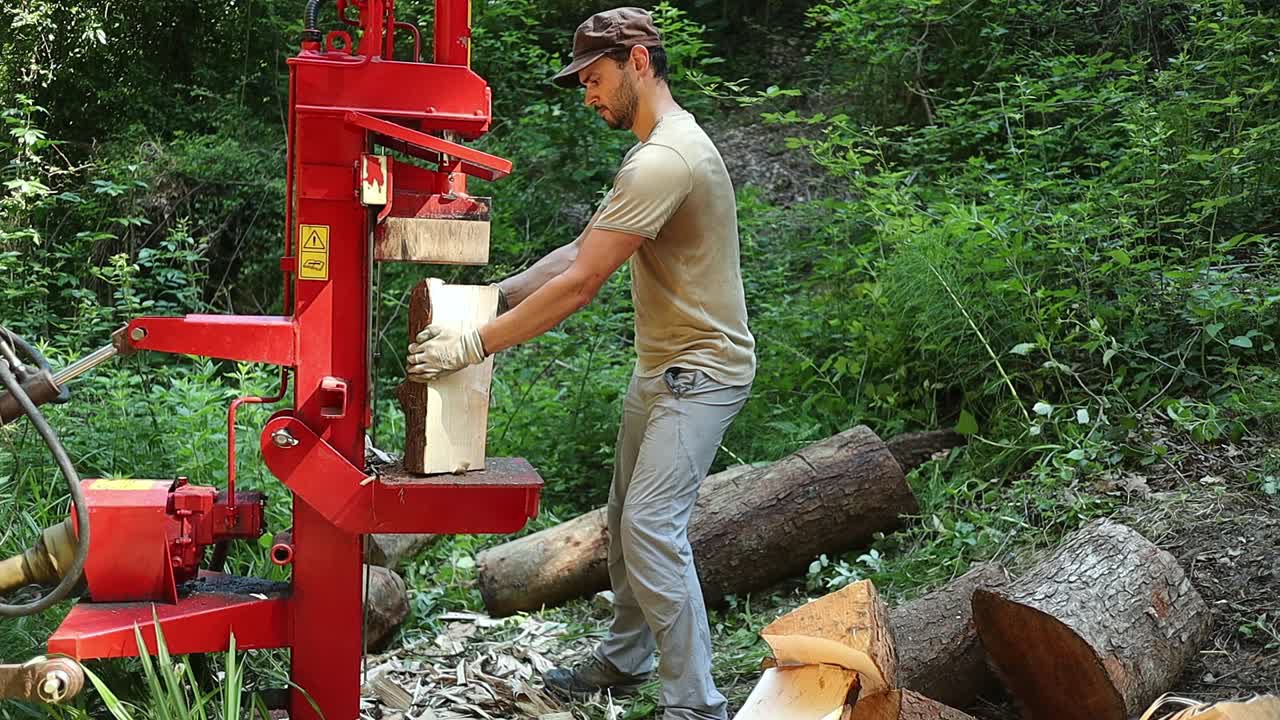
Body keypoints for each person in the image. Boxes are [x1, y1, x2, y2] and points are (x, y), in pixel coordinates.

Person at [405, 7, 755, 719]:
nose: (588, 94)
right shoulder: (653, 152)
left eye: (594, 78)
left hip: (702, 373)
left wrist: (477, 343)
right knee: (627, 518)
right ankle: (627, 657)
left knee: (652, 528)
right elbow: (577, 253)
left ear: (637, 61)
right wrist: (491, 296)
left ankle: (697, 704)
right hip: (662, 368)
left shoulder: (666, 158)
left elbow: (582, 284)